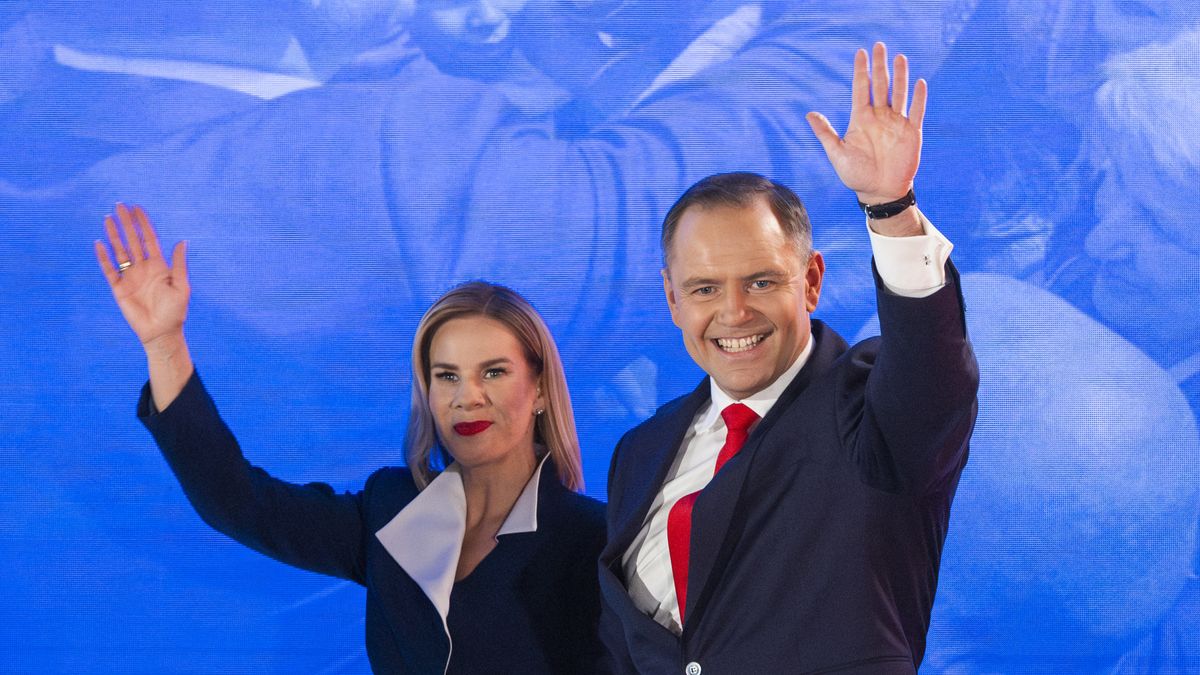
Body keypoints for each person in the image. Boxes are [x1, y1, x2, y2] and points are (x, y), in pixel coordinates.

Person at [93, 204, 606, 673]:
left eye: (493, 372)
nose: (466, 396)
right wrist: (164, 343)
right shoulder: (393, 507)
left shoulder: (596, 538)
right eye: (446, 375)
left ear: (539, 387)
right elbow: (239, 503)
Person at [599, 42, 978, 673]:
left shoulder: (869, 412)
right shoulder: (641, 452)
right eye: (704, 289)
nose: (734, 311)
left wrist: (890, 209)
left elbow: (931, 375)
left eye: (762, 281)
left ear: (810, 280)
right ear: (672, 298)